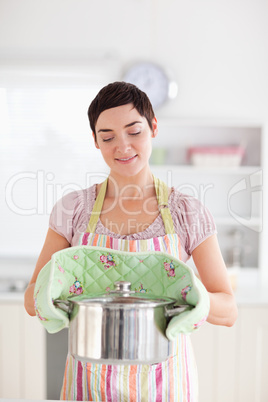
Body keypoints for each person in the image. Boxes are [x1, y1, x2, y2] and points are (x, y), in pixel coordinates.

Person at [24, 81, 238, 401]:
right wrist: (58, 296)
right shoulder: (72, 210)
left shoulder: (187, 212)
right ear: (96, 142)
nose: (122, 146)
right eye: (107, 137)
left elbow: (229, 310)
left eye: (134, 131)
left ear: (153, 128)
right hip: (89, 382)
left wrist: (192, 294)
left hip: (166, 383)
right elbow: (31, 300)